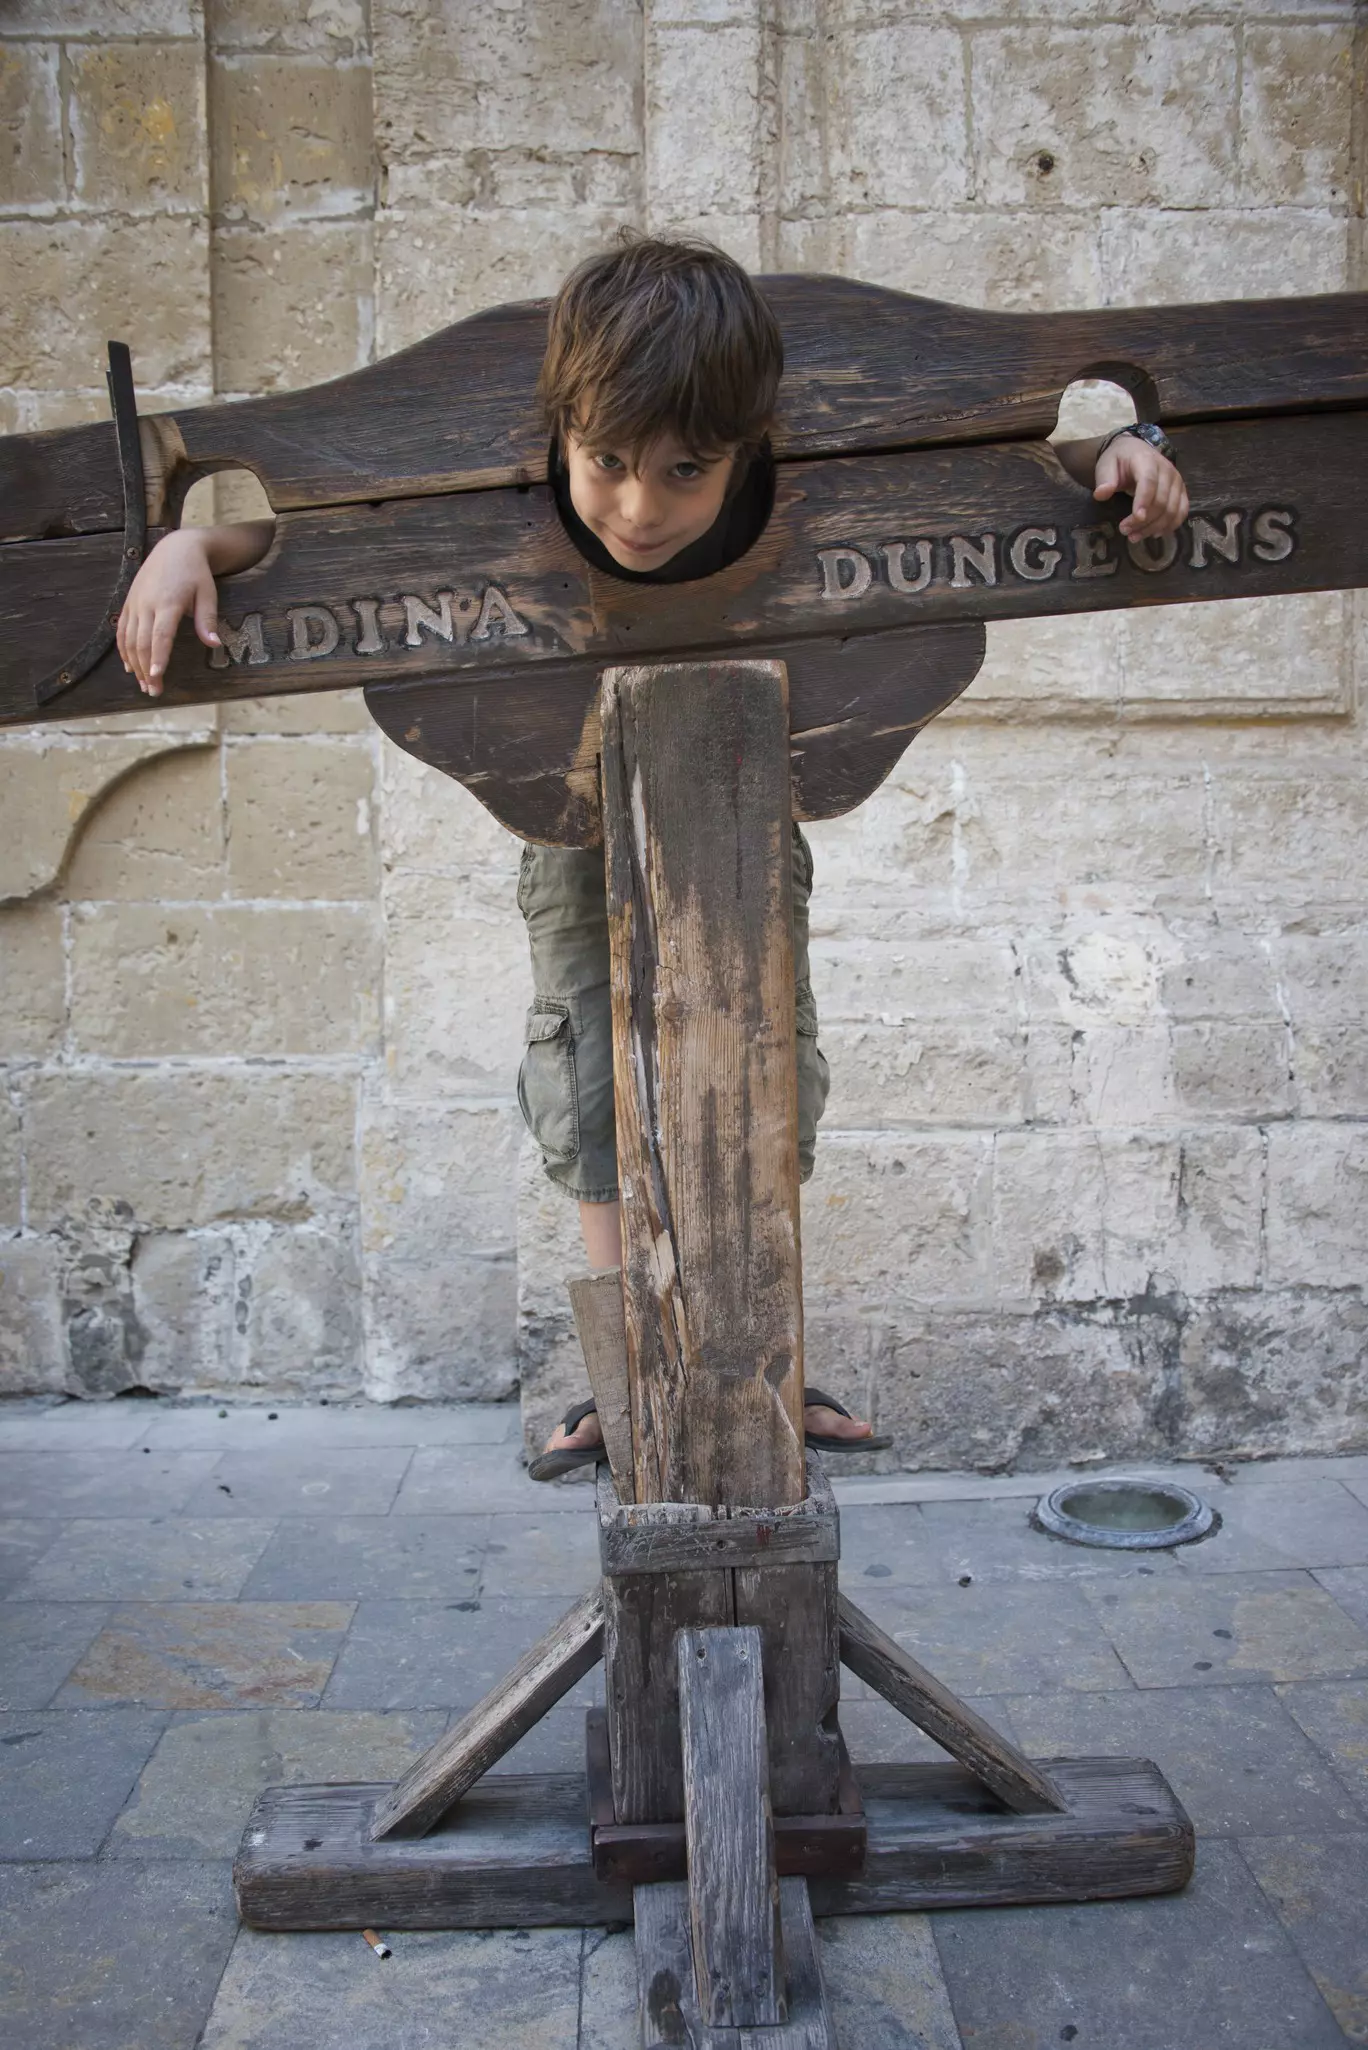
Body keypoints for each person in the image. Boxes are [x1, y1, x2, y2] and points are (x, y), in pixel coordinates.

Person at [116, 233, 1190, 1477]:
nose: (639, 508)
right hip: (574, 820)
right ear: (560, 436)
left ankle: (759, 1360)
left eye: (687, 471)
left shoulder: (788, 467)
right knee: (589, 1088)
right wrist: (192, 545)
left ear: (747, 447)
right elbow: (323, 533)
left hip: (746, 805)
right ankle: (629, 1372)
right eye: (607, 464)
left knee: (763, 1079)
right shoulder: (545, 481)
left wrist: (1120, 449)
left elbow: (1008, 468)